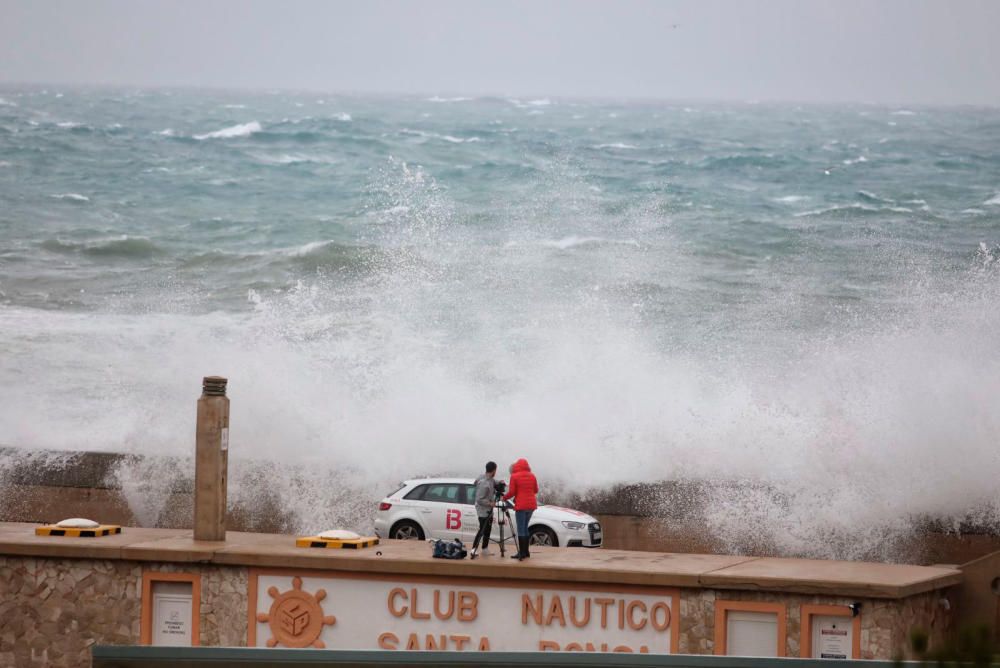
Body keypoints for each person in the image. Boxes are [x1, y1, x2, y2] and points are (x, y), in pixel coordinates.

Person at [502, 457, 538, 561]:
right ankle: (526, 552)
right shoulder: (532, 475)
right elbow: (535, 490)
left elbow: (512, 492)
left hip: (521, 506)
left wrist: (503, 498)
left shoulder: (514, 476)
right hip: (531, 506)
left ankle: (521, 553)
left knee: (521, 529)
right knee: (525, 528)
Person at [469, 461, 497, 559]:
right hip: (483, 510)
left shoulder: (487, 478)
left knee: (487, 529)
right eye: (495, 470)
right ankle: (473, 549)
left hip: (488, 510)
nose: (495, 472)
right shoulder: (484, 483)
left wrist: (500, 482)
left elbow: (493, 482)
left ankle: (485, 549)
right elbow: (479, 499)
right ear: (493, 470)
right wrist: (490, 503)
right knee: (482, 529)